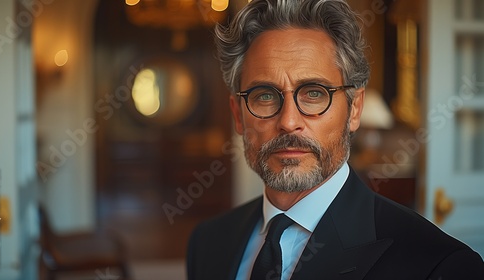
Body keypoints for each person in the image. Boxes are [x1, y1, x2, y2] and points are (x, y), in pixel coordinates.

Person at [186, 0, 484, 279]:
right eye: (264, 95)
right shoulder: (208, 243)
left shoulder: (439, 265)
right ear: (237, 115)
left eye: (314, 93)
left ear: (354, 109)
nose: (289, 122)